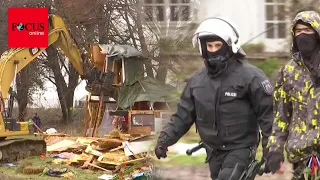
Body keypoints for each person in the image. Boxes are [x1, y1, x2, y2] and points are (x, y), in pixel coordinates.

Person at [154, 17, 273, 180]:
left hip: (241, 149)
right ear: (203, 48)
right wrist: (164, 139)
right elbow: (182, 116)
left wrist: (272, 151)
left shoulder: (251, 77)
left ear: (230, 46)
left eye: (218, 45)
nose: (213, 50)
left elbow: (269, 117)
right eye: (209, 46)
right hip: (213, 152)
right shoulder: (196, 81)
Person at [267, 10, 320, 180]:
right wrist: (275, 150)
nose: (302, 35)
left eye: (307, 30)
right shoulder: (288, 72)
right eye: (298, 31)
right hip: (302, 156)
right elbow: (281, 115)